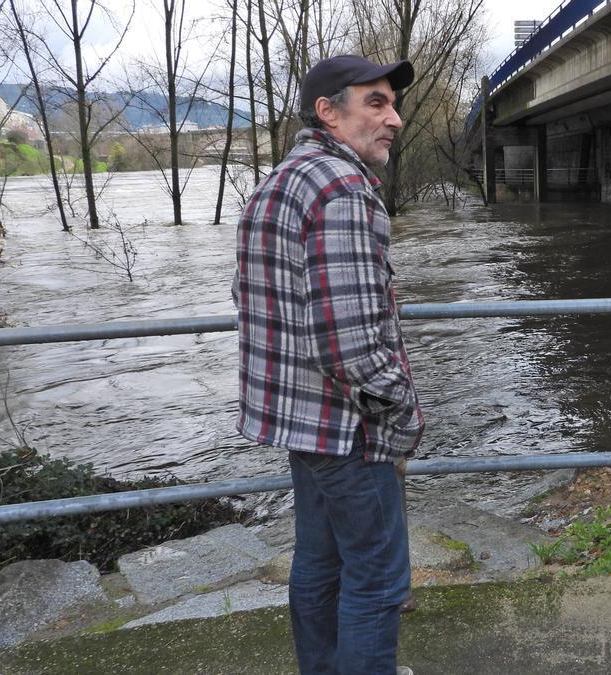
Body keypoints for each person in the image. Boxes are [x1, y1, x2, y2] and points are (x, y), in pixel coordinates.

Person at [233, 54, 424, 675]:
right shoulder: (343, 191)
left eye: (393, 103)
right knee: (377, 579)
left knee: (319, 564)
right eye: (375, 102)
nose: (393, 117)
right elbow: (351, 347)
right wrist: (402, 416)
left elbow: (247, 298)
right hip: (348, 430)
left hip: (300, 423)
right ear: (327, 111)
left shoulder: (278, 183)